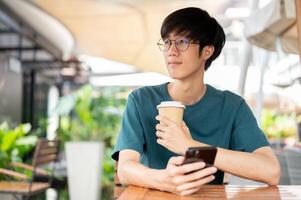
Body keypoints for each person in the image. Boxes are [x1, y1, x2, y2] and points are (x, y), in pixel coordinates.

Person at [111, 7, 280, 196]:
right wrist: (164, 180)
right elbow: (125, 169)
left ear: (207, 51)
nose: (171, 51)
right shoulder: (142, 100)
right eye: (167, 42)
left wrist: (193, 148)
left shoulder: (232, 106)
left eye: (182, 42)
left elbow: (271, 171)